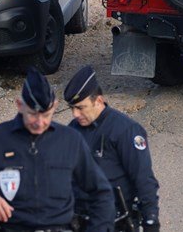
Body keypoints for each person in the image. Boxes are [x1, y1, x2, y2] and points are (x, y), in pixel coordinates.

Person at [0, 68, 114, 232]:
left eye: (46, 115)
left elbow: (101, 192)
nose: (39, 122)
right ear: (19, 105)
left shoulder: (70, 140)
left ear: (55, 106)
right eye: (33, 114)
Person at [64, 66, 160, 232]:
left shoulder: (125, 130)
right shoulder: (73, 129)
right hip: (79, 219)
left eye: (80, 107)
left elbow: (143, 179)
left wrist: (151, 221)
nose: (75, 114)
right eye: (72, 108)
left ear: (99, 101)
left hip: (115, 221)